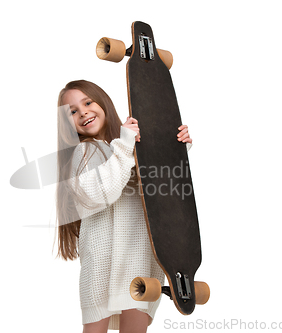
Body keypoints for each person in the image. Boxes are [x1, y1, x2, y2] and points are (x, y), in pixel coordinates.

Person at [55, 80, 192, 333]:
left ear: (103, 102)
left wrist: (175, 146)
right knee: (96, 327)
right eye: (72, 111)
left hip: (138, 256)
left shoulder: (127, 148)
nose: (83, 111)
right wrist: (125, 145)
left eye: (87, 102)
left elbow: (164, 185)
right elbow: (103, 191)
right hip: (103, 263)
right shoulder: (85, 152)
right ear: (67, 124)